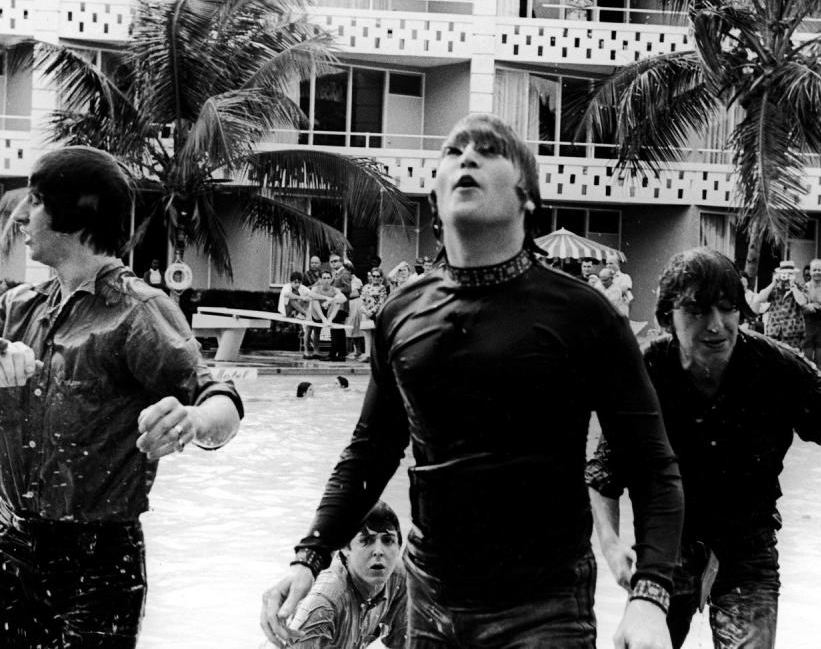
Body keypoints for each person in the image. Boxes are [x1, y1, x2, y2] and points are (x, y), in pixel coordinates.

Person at [261, 113, 683, 649]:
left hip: (544, 602)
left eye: (488, 149)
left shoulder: (585, 314)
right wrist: (309, 557)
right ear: (434, 198)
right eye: (453, 150)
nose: (466, 157)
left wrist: (649, 596)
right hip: (430, 594)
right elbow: (370, 451)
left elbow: (651, 463)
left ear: (527, 195)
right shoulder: (400, 313)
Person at [0, 146, 244, 649]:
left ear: (75, 214)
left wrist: (193, 422)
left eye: (35, 201)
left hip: (98, 559)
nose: (22, 215)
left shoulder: (138, 313)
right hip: (11, 544)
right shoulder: (20, 306)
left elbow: (220, 401)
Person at [586, 247, 821, 649]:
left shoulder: (776, 367)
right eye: (696, 312)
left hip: (748, 546)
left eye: (727, 309)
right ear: (668, 319)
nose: (716, 326)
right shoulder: (646, 373)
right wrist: (610, 546)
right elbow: (604, 472)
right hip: (665, 550)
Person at [288, 501, 407, 649]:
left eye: (388, 540)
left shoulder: (399, 579)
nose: (378, 551)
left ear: (399, 547)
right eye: (366, 540)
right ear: (345, 548)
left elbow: (407, 642)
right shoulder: (323, 603)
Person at [755, 259, 808, 350]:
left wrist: (793, 287)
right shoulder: (774, 287)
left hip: (792, 332)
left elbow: (802, 302)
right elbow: (759, 299)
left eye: (789, 273)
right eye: (784, 273)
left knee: (791, 359)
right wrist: (773, 283)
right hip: (774, 331)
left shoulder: (800, 286)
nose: (786, 276)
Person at [359, 267, 389, 362]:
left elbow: (381, 301)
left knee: (376, 337)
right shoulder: (366, 287)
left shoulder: (382, 288)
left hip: (376, 314)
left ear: (381, 277)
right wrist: (365, 311)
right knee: (367, 336)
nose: (375, 278)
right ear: (371, 276)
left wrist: (372, 311)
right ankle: (367, 354)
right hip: (366, 313)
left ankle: (375, 357)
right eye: (374, 276)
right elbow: (362, 300)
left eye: (378, 276)